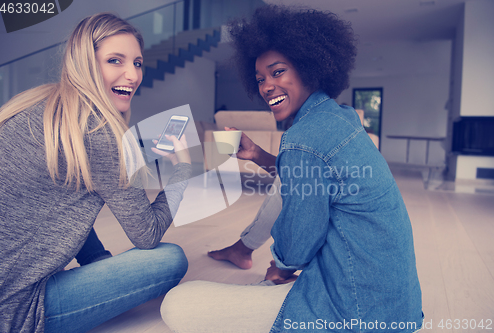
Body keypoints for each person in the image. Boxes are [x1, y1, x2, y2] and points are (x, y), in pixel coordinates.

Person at [161, 5, 423, 332]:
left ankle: (264, 279)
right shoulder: (341, 117)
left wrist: (281, 270)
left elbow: (298, 244)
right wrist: (257, 154)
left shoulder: (303, 138)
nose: (267, 86)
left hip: (352, 310)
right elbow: (314, 179)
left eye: (278, 71)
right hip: (395, 307)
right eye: (260, 79)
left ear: (308, 67)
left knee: (177, 304)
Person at [0, 13, 192, 333]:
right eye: (115, 60)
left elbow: (61, 204)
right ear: (86, 63)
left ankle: (100, 263)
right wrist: (183, 167)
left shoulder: (37, 105)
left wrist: (100, 264)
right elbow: (147, 234)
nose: (132, 74)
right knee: (172, 258)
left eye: (138, 63)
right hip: (12, 311)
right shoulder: (100, 133)